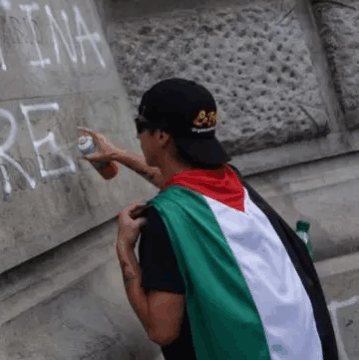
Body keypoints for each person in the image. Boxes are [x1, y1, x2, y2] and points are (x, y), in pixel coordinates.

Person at [79, 78, 339, 360]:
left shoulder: (164, 220)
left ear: (162, 136)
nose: (139, 135)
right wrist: (116, 154)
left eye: (140, 125)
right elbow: (174, 178)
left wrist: (124, 249)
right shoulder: (231, 180)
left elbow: (161, 329)